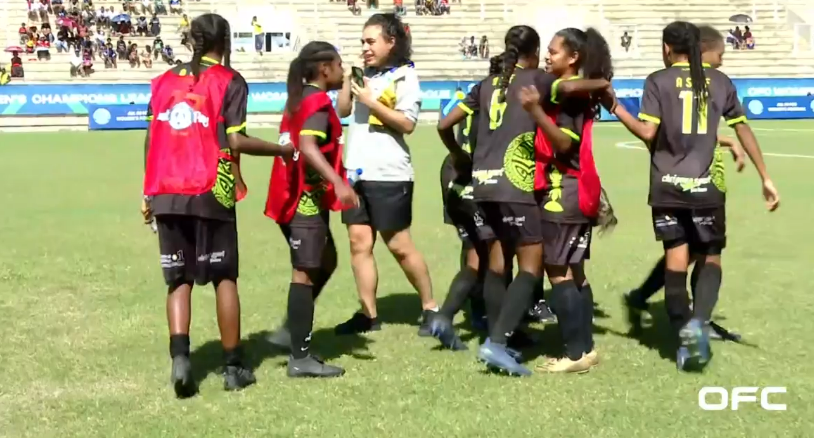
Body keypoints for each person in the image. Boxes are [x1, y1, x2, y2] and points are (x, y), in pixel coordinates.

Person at [438, 25, 609, 376]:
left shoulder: (487, 84)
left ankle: (505, 337)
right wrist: (603, 84)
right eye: (544, 50)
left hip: (481, 185)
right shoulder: (536, 80)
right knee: (534, 267)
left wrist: (459, 156)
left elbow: (444, 124)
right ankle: (499, 343)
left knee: (498, 265)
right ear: (533, 53)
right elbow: (573, 88)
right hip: (516, 185)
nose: (547, 57)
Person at [609, 21, 779, 372]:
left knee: (675, 259)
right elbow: (742, 127)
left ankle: (683, 335)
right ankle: (698, 322)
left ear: (668, 48)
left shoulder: (658, 80)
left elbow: (648, 133)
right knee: (710, 259)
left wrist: (615, 106)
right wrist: (765, 177)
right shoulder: (719, 81)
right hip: (706, 190)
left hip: (667, 187)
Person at [141, 12, 293, 398]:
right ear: (224, 42)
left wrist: (148, 193)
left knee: (178, 280)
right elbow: (236, 141)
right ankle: (233, 366)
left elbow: (151, 138)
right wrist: (281, 150)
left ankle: (180, 357)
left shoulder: (161, 82)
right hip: (210, 187)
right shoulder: (230, 81)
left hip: (164, 190)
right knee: (225, 277)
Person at [623, 25, 748, 341]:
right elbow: (679, 129)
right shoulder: (705, 80)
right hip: (700, 181)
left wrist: (725, 141)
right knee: (699, 252)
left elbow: (692, 128)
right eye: (719, 54)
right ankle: (693, 319)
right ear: (702, 50)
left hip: (680, 180)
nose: (721, 60)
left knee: (685, 251)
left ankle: (663, 306)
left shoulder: (690, 81)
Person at [335, 13, 438, 336]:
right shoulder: (362, 74)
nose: (364, 47)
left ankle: (431, 308)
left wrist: (371, 101)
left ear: (391, 42)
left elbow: (407, 124)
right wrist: (347, 85)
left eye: (371, 41)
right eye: (362, 42)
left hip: (390, 173)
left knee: (398, 244)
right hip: (356, 171)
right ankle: (368, 314)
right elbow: (342, 112)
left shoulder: (406, 76)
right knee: (358, 243)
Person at [520, 27, 614, 373]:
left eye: (554, 51)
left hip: (564, 194)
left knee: (557, 272)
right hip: (575, 190)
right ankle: (584, 346)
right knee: (575, 272)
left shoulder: (568, 95)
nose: (548, 56)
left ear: (573, 57)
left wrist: (535, 112)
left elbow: (564, 145)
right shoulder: (566, 90)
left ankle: (576, 354)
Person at [264, 41, 359, 378]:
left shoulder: (300, 97)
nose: (341, 69)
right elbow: (307, 147)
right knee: (304, 272)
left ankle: (292, 328)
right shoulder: (316, 101)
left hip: (293, 196)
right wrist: (339, 182)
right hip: (302, 201)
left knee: (327, 260)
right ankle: (299, 356)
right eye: (338, 64)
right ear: (324, 68)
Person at [429, 54, 510, 351]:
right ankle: (493, 331)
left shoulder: (478, 94)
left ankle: (457, 317)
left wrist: (456, 154)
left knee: (474, 252)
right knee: (489, 261)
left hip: (453, 177)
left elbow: (446, 125)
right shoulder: (503, 102)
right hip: (476, 181)